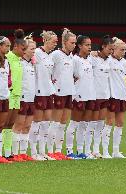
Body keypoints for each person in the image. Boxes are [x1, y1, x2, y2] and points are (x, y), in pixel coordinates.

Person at [47, 28, 76, 160]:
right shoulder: (56, 55)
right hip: (58, 92)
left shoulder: (71, 56)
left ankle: (58, 150)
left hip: (69, 92)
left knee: (64, 122)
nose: (74, 45)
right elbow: (48, 70)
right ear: (64, 42)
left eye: (75, 43)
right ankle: (50, 150)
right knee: (55, 122)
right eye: (72, 43)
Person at [29, 30, 58, 161]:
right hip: (39, 91)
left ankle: (42, 151)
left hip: (49, 91)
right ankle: (33, 152)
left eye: (56, 42)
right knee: (37, 122)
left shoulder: (51, 55)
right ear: (45, 41)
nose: (55, 44)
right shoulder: (37, 53)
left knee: (46, 122)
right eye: (53, 42)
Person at [66, 35, 96, 159]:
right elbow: (71, 78)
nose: (89, 47)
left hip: (89, 95)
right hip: (78, 95)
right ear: (79, 46)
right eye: (86, 45)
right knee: (74, 124)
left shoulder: (90, 59)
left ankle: (80, 150)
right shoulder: (75, 60)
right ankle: (69, 151)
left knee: (84, 124)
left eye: (90, 45)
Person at [102, 37, 126, 158]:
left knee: (120, 123)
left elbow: (123, 80)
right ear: (114, 49)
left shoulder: (123, 62)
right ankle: (104, 151)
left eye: (125, 50)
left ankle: (116, 151)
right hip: (111, 96)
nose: (124, 52)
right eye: (121, 49)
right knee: (109, 122)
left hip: (121, 96)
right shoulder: (108, 60)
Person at [10, 34, 36, 162]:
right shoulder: (18, 62)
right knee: (18, 124)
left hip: (31, 98)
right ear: (24, 49)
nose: (33, 51)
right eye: (31, 49)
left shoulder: (32, 64)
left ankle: (23, 153)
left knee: (27, 125)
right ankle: (14, 153)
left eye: (34, 49)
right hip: (22, 98)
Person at [3, 29, 26, 160]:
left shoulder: (19, 60)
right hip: (9, 94)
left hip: (17, 95)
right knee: (4, 123)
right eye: (23, 48)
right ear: (15, 46)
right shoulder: (8, 58)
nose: (24, 51)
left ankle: (7, 152)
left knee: (10, 124)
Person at [90, 35, 114, 158]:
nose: (111, 52)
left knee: (100, 123)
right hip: (94, 96)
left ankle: (96, 150)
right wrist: (92, 52)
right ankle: (86, 150)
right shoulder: (92, 58)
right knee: (91, 124)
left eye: (112, 49)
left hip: (105, 96)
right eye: (109, 49)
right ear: (103, 46)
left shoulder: (110, 60)